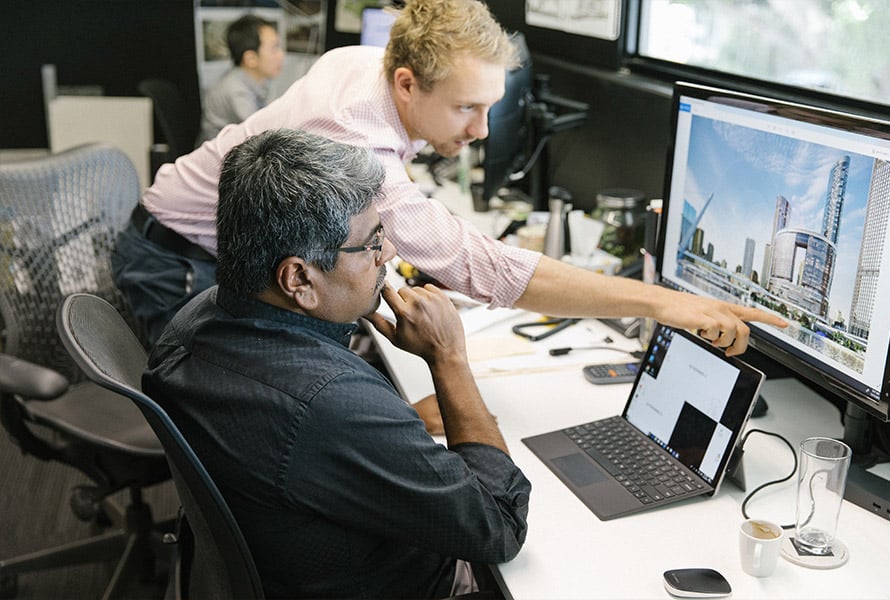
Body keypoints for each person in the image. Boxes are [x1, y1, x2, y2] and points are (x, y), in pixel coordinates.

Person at [113, 0, 785, 350]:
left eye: (490, 106)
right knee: (216, 434)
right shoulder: (356, 144)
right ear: (406, 82)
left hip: (211, 247)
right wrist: (661, 302)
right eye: (467, 107)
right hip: (174, 257)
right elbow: (481, 266)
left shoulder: (364, 60)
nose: (480, 131)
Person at [142, 128, 530, 599]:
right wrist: (449, 358)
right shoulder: (331, 404)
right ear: (298, 278)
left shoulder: (194, 318)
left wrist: (389, 429)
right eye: (371, 243)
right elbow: (500, 526)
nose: (387, 254)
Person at [198, 14, 284, 142]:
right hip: (217, 159)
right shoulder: (236, 90)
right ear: (251, 58)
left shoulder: (256, 81)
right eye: (274, 48)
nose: (281, 55)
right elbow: (261, 135)